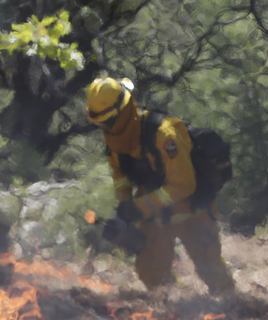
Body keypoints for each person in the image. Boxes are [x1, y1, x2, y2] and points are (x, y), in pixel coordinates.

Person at [86, 77, 235, 296]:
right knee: (151, 274)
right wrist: (123, 212)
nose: (104, 128)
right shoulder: (117, 142)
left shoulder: (165, 135)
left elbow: (183, 185)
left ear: (124, 110)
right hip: (156, 216)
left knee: (211, 271)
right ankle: (178, 308)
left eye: (107, 121)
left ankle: (234, 310)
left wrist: (138, 207)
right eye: (99, 123)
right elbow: (120, 176)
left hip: (194, 212)